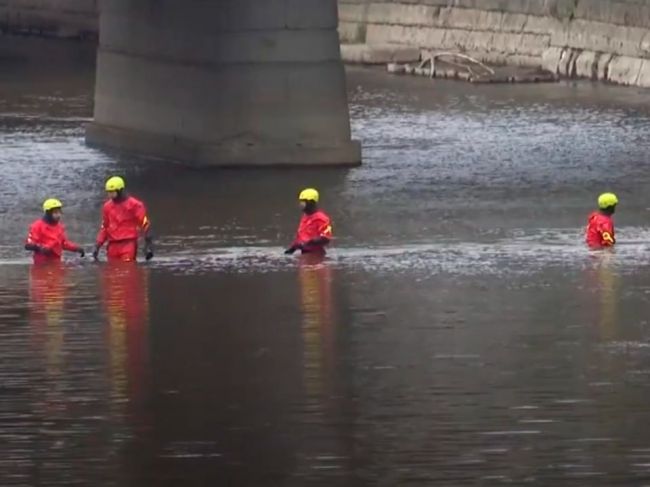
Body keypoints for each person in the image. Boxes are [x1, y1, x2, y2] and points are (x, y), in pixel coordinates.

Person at [93, 176, 154, 262]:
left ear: (120, 190)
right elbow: (105, 226)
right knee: (111, 271)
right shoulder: (107, 206)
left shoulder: (135, 205)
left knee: (127, 270)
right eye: (108, 192)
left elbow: (145, 223)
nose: (109, 194)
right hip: (112, 245)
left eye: (112, 192)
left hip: (128, 244)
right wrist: (98, 245)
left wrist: (148, 244)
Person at [25, 199, 85, 264]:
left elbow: (64, 243)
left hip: (56, 262)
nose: (59, 215)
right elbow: (28, 245)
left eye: (60, 212)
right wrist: (40, 248)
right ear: (48, 213)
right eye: (55, 213)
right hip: (41, 264)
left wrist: (77, 249)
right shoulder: (37, 226)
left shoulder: (60, 227)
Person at [285, 188, 333, 255]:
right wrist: (292, 249)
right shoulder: (305, 217)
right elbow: (300, 236)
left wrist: (309, 242)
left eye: (303, 201)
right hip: (304, 253)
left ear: (311, 202)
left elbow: (326, 238)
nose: (301, 204)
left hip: (316, 254)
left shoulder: (321, 218)